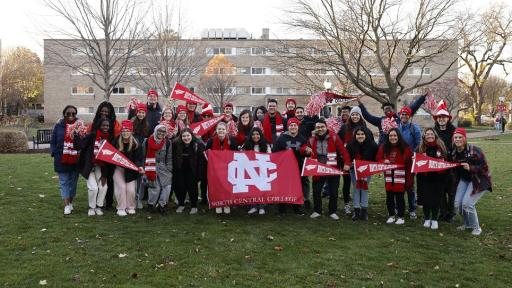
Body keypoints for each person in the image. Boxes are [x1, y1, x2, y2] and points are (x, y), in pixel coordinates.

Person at [302, 119, 351, 220]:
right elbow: (304, 149)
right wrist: (305, 149)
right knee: (316, 191)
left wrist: (347, 163)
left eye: (322, 127)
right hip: (318, 169)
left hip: (332, 168)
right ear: (315, 129)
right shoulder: (312, 139)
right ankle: (317, 210)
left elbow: (343, 151)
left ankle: (332, 211)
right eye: (318, 127)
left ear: (326, 127)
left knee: (333, 192)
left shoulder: (334, 137)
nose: (320, 129)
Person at [451, 128, 492, 236]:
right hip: (464, 180)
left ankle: (476, 228)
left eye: (460, 137)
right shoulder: (454, 152)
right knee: (458, 203)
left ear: (464, 139)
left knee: (467, 203)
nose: (458, 139)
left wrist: (471, 168)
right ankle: (467, 224)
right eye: (456, 137)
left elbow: (485, 168)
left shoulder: (474, 150)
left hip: (479, 180)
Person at [77, 118, 114, 216]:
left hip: (101, 167)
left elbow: (108, 158)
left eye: (107, 126)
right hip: (89, 166)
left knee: (103, 187)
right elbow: (81, 145)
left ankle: (98, 206)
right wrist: (76, 135)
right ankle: (91, 207)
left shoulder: (109, 139)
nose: (105, 127)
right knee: (93, 188)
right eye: (103, 125)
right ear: (99, 126)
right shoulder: (92, 136)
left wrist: (105, 175)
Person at [358, 92, 427, 144]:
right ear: (383, 111)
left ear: (393, 109)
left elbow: (412, 108)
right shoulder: (380, 121)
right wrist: (361, 106)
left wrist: (422, 98)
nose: (387, 110)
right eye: (385, 109)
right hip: (384, 147)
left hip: (397, 146)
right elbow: (368, 117)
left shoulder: (400, 118)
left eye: (389, 108)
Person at [376, 128, 413, 225]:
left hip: (401, 177)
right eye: (391, 136)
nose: (393, 137)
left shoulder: (405, 147)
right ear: (388, 137)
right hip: (388, 176)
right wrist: (384, 161)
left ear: (398, 136)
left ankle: (401, 217)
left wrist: (409, 179)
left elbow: (410, 164)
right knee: (389, 197)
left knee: (400, 197)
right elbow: (378, 159)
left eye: (395, 136)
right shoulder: (384, 147)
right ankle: (391, 215)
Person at [88, 102, 121, 210]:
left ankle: (108, 203)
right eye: (102, 110)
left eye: (106, 111)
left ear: (110, 112)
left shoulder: (115, 124)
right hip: (96, 158)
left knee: (108, 179)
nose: (104, 113)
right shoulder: (93, 124)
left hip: (109, 155)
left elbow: (117, 137)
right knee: (99, 181)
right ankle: (96, 202)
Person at [273, 117, 309, 213]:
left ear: (298, 127)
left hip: (298, 167)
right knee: (283, 187)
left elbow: (306, 153)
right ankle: (282, 208)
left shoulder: (302, 139)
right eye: (291, 125)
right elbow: (275, 152)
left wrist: (307, 152)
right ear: (288, 127)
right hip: (285, 167)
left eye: (295, 125)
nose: (293, 127)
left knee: (298, 187)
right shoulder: (281, 138)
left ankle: (297, 207)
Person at [337, 106, 368, 215]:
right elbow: (338, 143)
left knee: (359, 183)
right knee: (347, 182)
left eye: (357, 114)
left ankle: (359, 205)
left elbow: (369, 143)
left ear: (360, 116)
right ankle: (347, 204)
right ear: (350, 116)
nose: (355, 116)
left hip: (360, 161)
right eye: (353, 114)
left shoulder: (364, 127)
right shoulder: (344, 127)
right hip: (347, 160)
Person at [50, 105, 81, 215]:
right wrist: (53, 151)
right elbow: (53, 140)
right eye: (68, 113)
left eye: (73, 113)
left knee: (73, 183)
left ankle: (70, 202)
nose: (71, 115)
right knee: (64, 182)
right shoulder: (59, 125)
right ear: (64, 114)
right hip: (61, 158)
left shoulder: (79, 125)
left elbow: (84, 140)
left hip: (75, 159)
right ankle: (66, 205)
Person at [416, 128, 448, 230]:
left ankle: (434, 219)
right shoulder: (420, 148)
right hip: (424, 178)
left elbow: (446, 161)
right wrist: (414, 159)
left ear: (435, 135)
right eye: (427, 134)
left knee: (436, 199)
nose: (429, 136)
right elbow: (415, 161)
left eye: (431, 134)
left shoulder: (441, 147)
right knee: (426, 199)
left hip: (438, 178)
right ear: (424, 136)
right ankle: (426, 218)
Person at [113, 120, 144, 216]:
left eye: (128, 130)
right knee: (121, 187)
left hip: (131, 170)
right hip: (118, 169)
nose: (125, 133)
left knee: (131, 190)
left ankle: (130, 207)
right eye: (124, 131)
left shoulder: (135, 144)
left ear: (131, 132)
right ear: (121, 131)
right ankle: (121, 207)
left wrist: (140, 167)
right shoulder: (116, 141)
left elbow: (139, 158)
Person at [346, 126, 378, 221]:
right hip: (354, 170)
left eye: (362, 134)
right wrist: (349, 163)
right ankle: (356, 210)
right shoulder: (350, 145)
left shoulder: (372, 145)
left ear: (366, 135)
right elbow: (347, 158)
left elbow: (376, 158)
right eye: (358, 134)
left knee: (364, 189)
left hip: (366, 171)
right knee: (356, 189)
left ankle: (364, 211)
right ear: (355, 135)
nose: (360, 136)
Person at [205, 122, 238, 214]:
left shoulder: (231, 140)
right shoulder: (211, 141)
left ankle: (226, 203)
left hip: (228, 167)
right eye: (219, 129)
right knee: (217, 186)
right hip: (215, 168)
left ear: (226, 130)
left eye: (223, 129)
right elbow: (206, 153)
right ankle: (218, 203)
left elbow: (236, 154)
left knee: (227, 186)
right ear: (216, 130)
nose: (221, 131)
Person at [433, 101, 457, 223]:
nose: (441, 119)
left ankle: (451, 214)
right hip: (438, 167)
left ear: (448, 118)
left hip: (451, 167)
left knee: (451, 192)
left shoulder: (454, 131)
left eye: (443, 117)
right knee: (440, 191)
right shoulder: (434, 131)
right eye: (439, 117)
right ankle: (442, 213)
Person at [173, 128, 207, 214]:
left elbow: (201, 161)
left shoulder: (198, 144)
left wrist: (200, 174)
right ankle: (181, 204)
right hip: (180, 170)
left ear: (191, 136)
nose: (186, 138)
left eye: (188, 135)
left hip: (192, 170)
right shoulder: (176, 144)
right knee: (180, 187)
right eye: (184, 136)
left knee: (192, 188)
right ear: (181, 137)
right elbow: (173, 157)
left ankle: (194, 205)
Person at [397, 106, 421, 219]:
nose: (404, 116)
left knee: (410, 186)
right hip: (397, 161)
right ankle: (399, 207)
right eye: (402, 114)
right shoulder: (396, 128)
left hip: (410, 161)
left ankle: (412, 209)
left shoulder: (414, 128)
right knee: (398, 184)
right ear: (399, 116)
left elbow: (419, 144)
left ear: (409, 116)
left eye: (406, 114)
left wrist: (412, 154)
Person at [143, 124, 173, 214]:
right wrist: (145, 168)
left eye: (163, 131)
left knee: (167, 187)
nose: (161, 133)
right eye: (159, 131)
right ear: (156, 131)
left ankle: (162, 205)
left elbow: (169, 157)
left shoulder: (168, 143)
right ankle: (151, 205)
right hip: (151, 166)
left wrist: (169, 169)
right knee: (155, 187)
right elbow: (143, 155)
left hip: (164, 167)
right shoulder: (147, 141)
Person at [241, 127, 272, 215]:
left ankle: (262, 207)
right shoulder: (246, 145)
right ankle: (253, 206)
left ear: (260, 135)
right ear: (251, 136)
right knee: (252, 189)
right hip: (251, 171)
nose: (255, 136)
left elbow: (270, 157)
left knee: (262, 189)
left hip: (262, 171)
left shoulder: (266, 145)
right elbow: (242, 156)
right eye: (253, 134)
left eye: (257, 134)